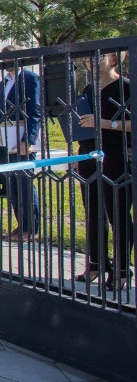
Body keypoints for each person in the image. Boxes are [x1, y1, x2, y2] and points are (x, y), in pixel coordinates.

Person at [76, 50, 132, 291]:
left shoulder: (126, 87)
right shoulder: (88, 91)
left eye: (98, 56)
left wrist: (106, 123)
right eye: (88, 57)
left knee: (116, 212)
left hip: (116, 155)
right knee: (93, 213)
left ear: (114, 59)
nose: (91, 60)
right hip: (88, 155)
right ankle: (97, 264)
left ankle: (121, 270)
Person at [0, 44, 41, 242]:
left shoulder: (30, 78)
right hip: (7, 138)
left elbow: (35, 111)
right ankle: (21, 224)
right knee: (12, 185)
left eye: (10, 58)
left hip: (22, 138)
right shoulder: (3, 82)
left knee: (24, 183)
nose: (7, 63)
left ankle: (32, 228)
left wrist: (28, 140)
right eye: (4, 59)